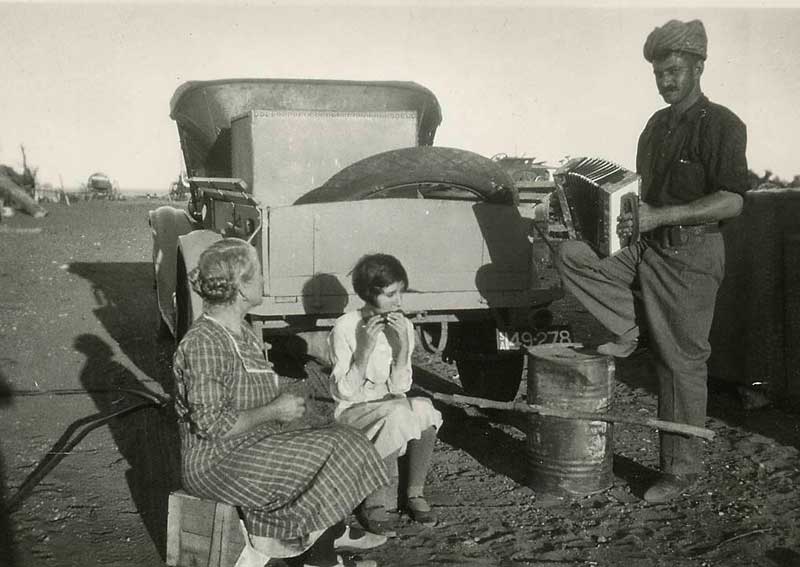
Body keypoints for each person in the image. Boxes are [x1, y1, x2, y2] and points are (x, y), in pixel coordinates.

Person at [555, 19, 748, 503]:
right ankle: (631, 330)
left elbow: (732, 200)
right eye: (659, 73)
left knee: (680, 364)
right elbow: (639, 198)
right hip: (646, 246)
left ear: (699, 67)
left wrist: (663, 215)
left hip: (691, 252)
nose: (665, 81)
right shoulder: (654, 127)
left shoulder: (722, 124)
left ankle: (680, 471)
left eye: (674, 71)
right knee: (574, 254)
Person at [173, 238, 389, 567]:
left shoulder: (239, 331)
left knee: (343, 437)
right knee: (333, 448)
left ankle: (323, 540)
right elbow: (211, 425)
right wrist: (274, 410)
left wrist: (293, 409)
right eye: (258, 274)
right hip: (216, 462)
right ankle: (315, 554)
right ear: (240, 288)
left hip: (250, 443)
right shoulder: (204, 342)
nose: (264, 280)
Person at [328, 253, 443, 532]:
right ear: (369, 293)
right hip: (354, 413)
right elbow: (343, 393)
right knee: (397, 414)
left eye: (401, 292)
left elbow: (401, 388)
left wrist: (402, 349)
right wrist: (364, 351)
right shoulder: (345, 327)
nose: (399, 301)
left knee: (424, 408)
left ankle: (414, 493)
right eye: (391, 294)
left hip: (390, 407)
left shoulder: (404, 326)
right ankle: (375, 501)